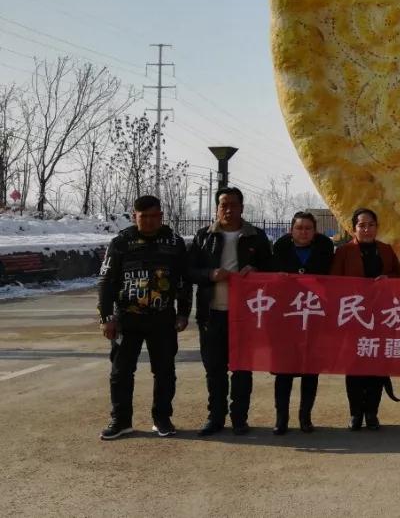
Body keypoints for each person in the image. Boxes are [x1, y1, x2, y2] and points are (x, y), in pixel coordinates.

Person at [97, 195, 190, 440]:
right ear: (134, 216)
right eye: (143, 216)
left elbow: (184, 281)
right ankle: (121, 420)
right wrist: (106, 317)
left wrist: (183, 313)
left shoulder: (175, 243)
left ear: (161, 216)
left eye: (153, 216)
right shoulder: (120, 243)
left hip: (163, 318)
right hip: (127, 318)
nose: (148, 221)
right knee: (121, 372)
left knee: (165, 371)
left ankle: (162, 418)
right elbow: (106, 282)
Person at [189, 187, 272, 436]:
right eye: (223, 205)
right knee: (214, 369)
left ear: (242, 208)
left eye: (233, 205)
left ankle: (239, 418)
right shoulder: (204, 236)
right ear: (217, 208)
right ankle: (215, 417)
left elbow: (272, 270)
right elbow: (189, 271)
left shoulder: (256, 237)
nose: (228, 209)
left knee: (242, 369)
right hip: (212, 313)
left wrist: (256, 272)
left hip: (245, 315)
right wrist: (209, 274)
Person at [331, 207, 400, 431]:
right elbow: (334, 282)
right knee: (354, 367)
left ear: (377, 227)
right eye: (362, 225)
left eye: (371, 225)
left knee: (376, 366)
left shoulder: (386, 250)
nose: (367, 229)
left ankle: (372, 412)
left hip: (380, 316)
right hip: (353, 316)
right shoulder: (344, 252)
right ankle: (355, 413)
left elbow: (398, 276)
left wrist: (387, 279)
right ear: (354, 229)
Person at [269, 211, 335, 435]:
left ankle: (305, 417)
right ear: (291, 230)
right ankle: (281, 418)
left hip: (315, 316)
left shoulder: (325, 248)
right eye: (299, 228)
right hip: (286, 318)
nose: (304, 232)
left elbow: (333, 279)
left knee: (310, 369)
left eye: (308, 228)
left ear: (314, 231)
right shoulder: (279, 249)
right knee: (283, 370)